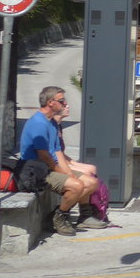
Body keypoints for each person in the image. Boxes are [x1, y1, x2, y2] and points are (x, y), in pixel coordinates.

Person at [19, 86, 100, 235]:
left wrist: (69, 172)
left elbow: (57, 152)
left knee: (91, 182)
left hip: (48, 167)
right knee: (76, 186)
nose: (65, 103)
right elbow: (45, 157)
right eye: (62, 101)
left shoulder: (51, 123)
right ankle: (59, 217)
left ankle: (84, 216)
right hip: (36, 170)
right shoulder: (39, 123)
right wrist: (65, 174)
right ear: (50, 102)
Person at [49, 95, 108, 229]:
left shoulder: (58, 127)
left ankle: (85, 213)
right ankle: (72, 213)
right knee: (87, 176)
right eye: (64, 104)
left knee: (91, 169)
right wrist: (71, 169)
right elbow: (53, 156)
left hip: (60, 162)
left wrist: (75, 164)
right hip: (53, 166)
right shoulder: (50, 127)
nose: (67, 106)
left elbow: (61, 154)